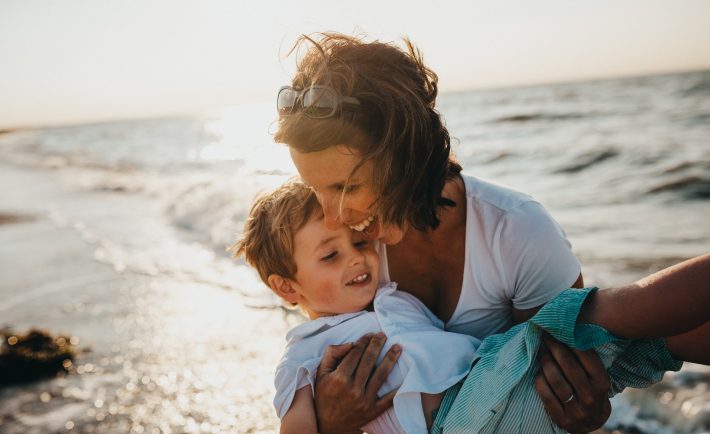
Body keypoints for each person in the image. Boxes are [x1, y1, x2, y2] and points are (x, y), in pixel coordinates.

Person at [273, 32, 608, 433]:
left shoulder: (517, 232)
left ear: (406, 157)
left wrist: (590, 412)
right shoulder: (348, 250)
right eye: (315, 188)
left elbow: (563, 385)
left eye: (348, 188)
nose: (331, 215)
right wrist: (329, 422)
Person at [232, 180, 710, 434]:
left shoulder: (393, 297)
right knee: (601, 315)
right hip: (460, 420)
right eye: (330, 255)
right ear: (287, 288)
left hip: (499, 395)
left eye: (358, 241)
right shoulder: (303, 354)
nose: (358, 257)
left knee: (649, 343)